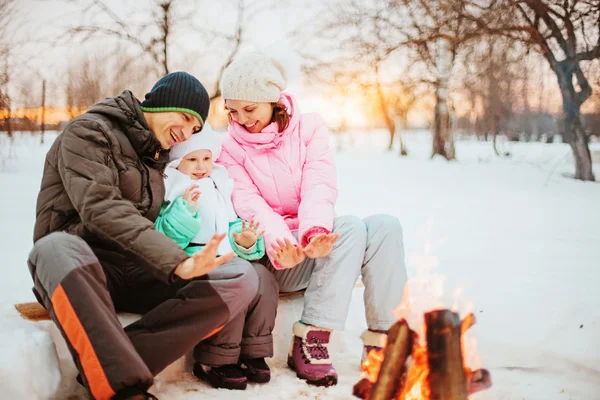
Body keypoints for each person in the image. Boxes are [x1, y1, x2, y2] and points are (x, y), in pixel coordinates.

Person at [28, 71, 270, 400]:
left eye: (195, 130)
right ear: (161, 102)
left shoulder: (158, 157)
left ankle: (116, 364)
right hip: (79, 269)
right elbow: (101, 207)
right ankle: (125, 389)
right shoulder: (89, 131)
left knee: (238, 276)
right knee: (54, 247)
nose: (185, 133)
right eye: (185, 119)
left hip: (137, 268)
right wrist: (174, 260)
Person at [218, 51, 409, 387]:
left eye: (250, 109)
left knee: (385, 225)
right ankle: (310, 340)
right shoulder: (230, 149)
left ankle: (382, 343)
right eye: (233, 111)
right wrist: (284, 245)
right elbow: (251, 207)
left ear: (272, 100)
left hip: (311, 247)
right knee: (349, 224)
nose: (242, 119)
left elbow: (319, 185)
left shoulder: (309, 128)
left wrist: (314, 234)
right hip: (276, 256)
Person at [154, 125, 278, 389]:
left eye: (207, 158)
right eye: (192, 159)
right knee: (231, 280)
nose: (201, 166)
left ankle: (253, 349)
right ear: (178, 161)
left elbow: (230, 224)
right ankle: (217, 356)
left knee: (264, 277)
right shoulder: (171, 187)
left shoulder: (219, 184)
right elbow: (164, 238)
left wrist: (243, 240)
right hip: (193, 262)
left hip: (227, 254)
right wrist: (185, 209)